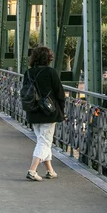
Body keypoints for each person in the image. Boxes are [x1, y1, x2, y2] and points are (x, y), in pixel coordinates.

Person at [23, 45, 66, 181]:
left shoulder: (28, 73)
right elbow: (60, 93)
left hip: (33, 111)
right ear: (48, 58)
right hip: (49, 111)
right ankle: (32, 170)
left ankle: (50, 170)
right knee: (44, 142)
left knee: (43, 140)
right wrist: (61, 110)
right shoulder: (51, 72)